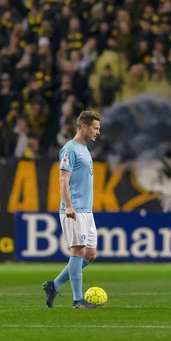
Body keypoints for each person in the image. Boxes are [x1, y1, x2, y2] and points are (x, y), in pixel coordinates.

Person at [42, 111, 101, 308]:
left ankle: (54, 285)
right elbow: (63, 179)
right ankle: (78, 301)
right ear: (83, 126)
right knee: (77, 251)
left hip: (87, 210)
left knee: (90, 254)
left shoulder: (84, 149)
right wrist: (68, 205)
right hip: (74, 209)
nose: (97, 132)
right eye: (95, 128)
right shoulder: (70, 149)